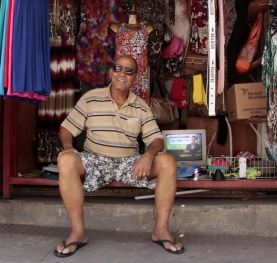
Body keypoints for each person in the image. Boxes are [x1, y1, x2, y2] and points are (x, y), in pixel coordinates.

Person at [53, 54, 184, 258]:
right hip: (95, 161)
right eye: (118, 68)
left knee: (167, 161)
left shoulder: (140, 105)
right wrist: (68, 146)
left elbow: (157, 140)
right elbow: (66, 128)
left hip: (128, 164)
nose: (122, 73)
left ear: (135, 78)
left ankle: (161, 230)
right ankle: (78, 231)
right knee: (65, 159)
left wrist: (148, 155)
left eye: (129, 70)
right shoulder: (91, 98)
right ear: (111, 72)